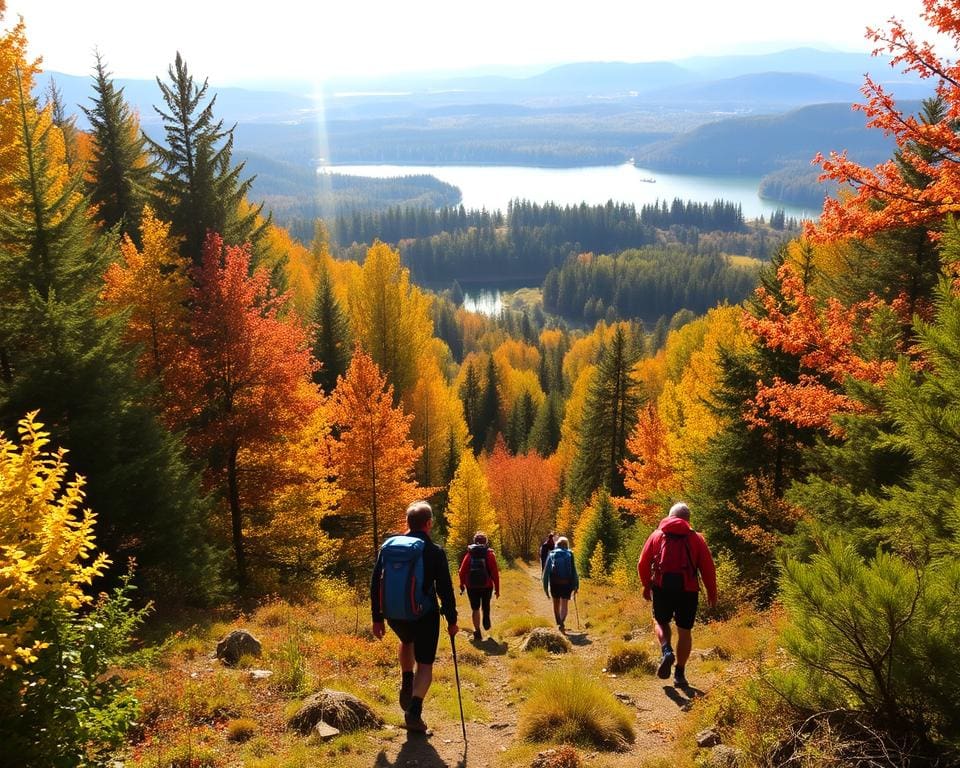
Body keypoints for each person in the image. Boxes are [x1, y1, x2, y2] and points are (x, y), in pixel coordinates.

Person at [370, 500, 458, 733]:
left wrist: (377, 618)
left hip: (395, 615)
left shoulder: (389, 547)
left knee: (406, 641)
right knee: (426, 664)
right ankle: (414, 712)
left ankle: (407, 678)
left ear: (407, 523)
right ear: (428, 523)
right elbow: (445, 590)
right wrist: (452, 620)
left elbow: (375, 582)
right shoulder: (434, 551)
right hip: (424, 615)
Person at [637, 501, 717, 689]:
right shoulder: (697, 538)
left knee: (660, 622)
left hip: (661, 587)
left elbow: (642, 562)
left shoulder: (657, 535)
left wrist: (646, 584)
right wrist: (712, 593)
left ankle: (666, 651)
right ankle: (680, 673)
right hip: (688, 591)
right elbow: (708, 569)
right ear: (688, 519)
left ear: (670, 516)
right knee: (685, 631)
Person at [457, 532, 500, 641]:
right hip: (487, 585)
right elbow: (495, 573)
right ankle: (486, 617)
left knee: (475, 608)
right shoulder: (490, 555)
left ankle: (477, 632)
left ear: (474, 541)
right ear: (486, 542)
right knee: (486, 605)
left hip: (471, 586)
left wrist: (462, 584)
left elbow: (462, 571)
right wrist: (497, 589)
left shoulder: (469, 554)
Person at [542, 536, 578, 632]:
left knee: (556, 604)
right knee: (564, 605)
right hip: (566, 583)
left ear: (557, 544)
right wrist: (576, 585)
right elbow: (574, 571)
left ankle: (558, 622)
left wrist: (546, 588)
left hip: (554, 583)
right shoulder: (570, 554)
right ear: (567, 545)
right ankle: (562, 623)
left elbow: (546, 573)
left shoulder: (552, 554)